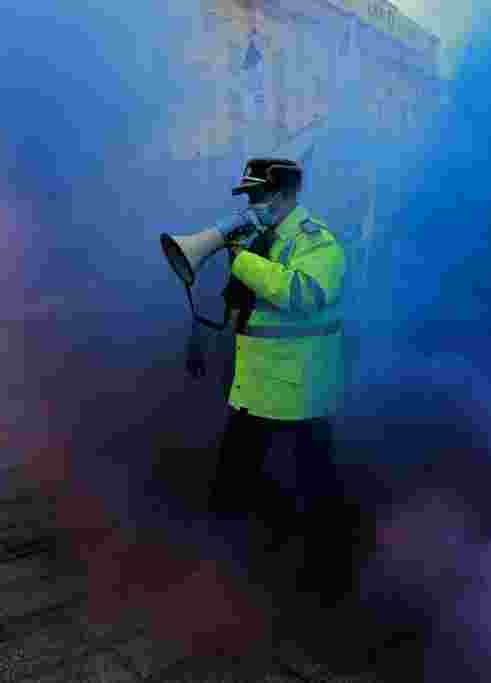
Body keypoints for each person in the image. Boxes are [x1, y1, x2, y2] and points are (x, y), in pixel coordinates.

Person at [189, 158, 357, 615]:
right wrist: (202, 336)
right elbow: (239, 303)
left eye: (259, 195)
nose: (252, 204)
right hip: (258, 386)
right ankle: (225, 568)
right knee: (234, 478)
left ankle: (331, 583)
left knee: (319, 487)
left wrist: (242, 261)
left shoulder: (315, 241)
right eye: (248, 197)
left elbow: (303, 294)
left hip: (302, 389)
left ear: (285, 194)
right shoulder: (264, 239)